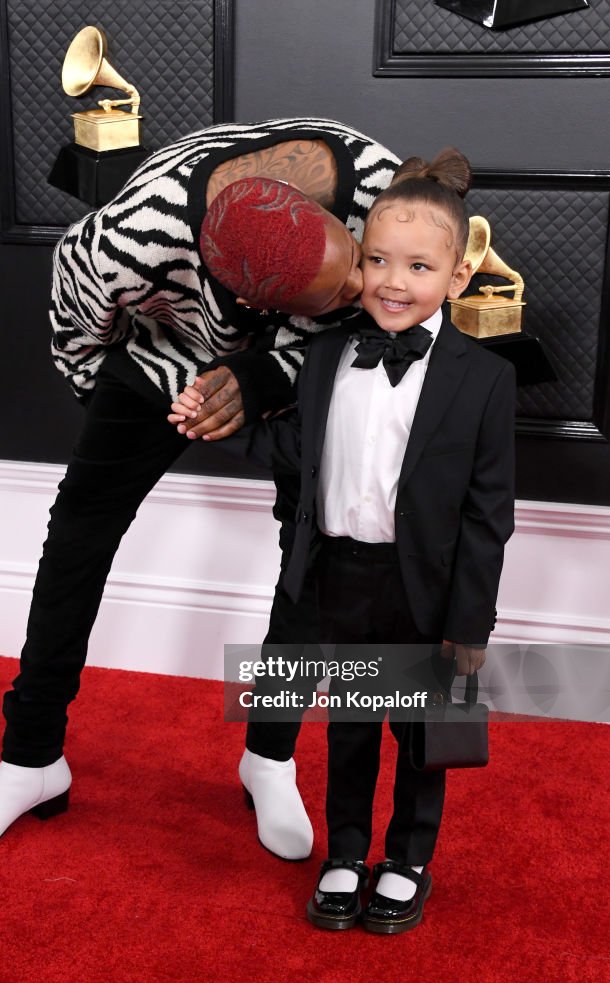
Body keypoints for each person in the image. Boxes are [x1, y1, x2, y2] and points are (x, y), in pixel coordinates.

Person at [0, 118, 399, 857]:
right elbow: (75, 325)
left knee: (310, 545)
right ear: (235, 289)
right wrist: (120, 404)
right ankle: (31, 760)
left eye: (356, 264)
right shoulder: (131, 239)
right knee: (77, 533)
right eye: (343, 286)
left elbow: (383, 312)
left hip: (303, 357)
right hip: (161, 350)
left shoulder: (377, 187)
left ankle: (268, 757)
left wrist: (264, 373)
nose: (365, 284)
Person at [171, 148, 516, 932]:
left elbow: (488, 514)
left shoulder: (485, 380)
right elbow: (297, 458)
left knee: (425, 735)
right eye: (378, 261)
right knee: (354, 728)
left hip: (425, 589)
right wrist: (212, 429)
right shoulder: (325, 357)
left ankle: (408, 859)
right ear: (357, 263)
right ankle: (347, 851)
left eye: (420, 266)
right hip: (341, 578)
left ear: (458, 277)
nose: (395, 282)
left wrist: (471, 624)